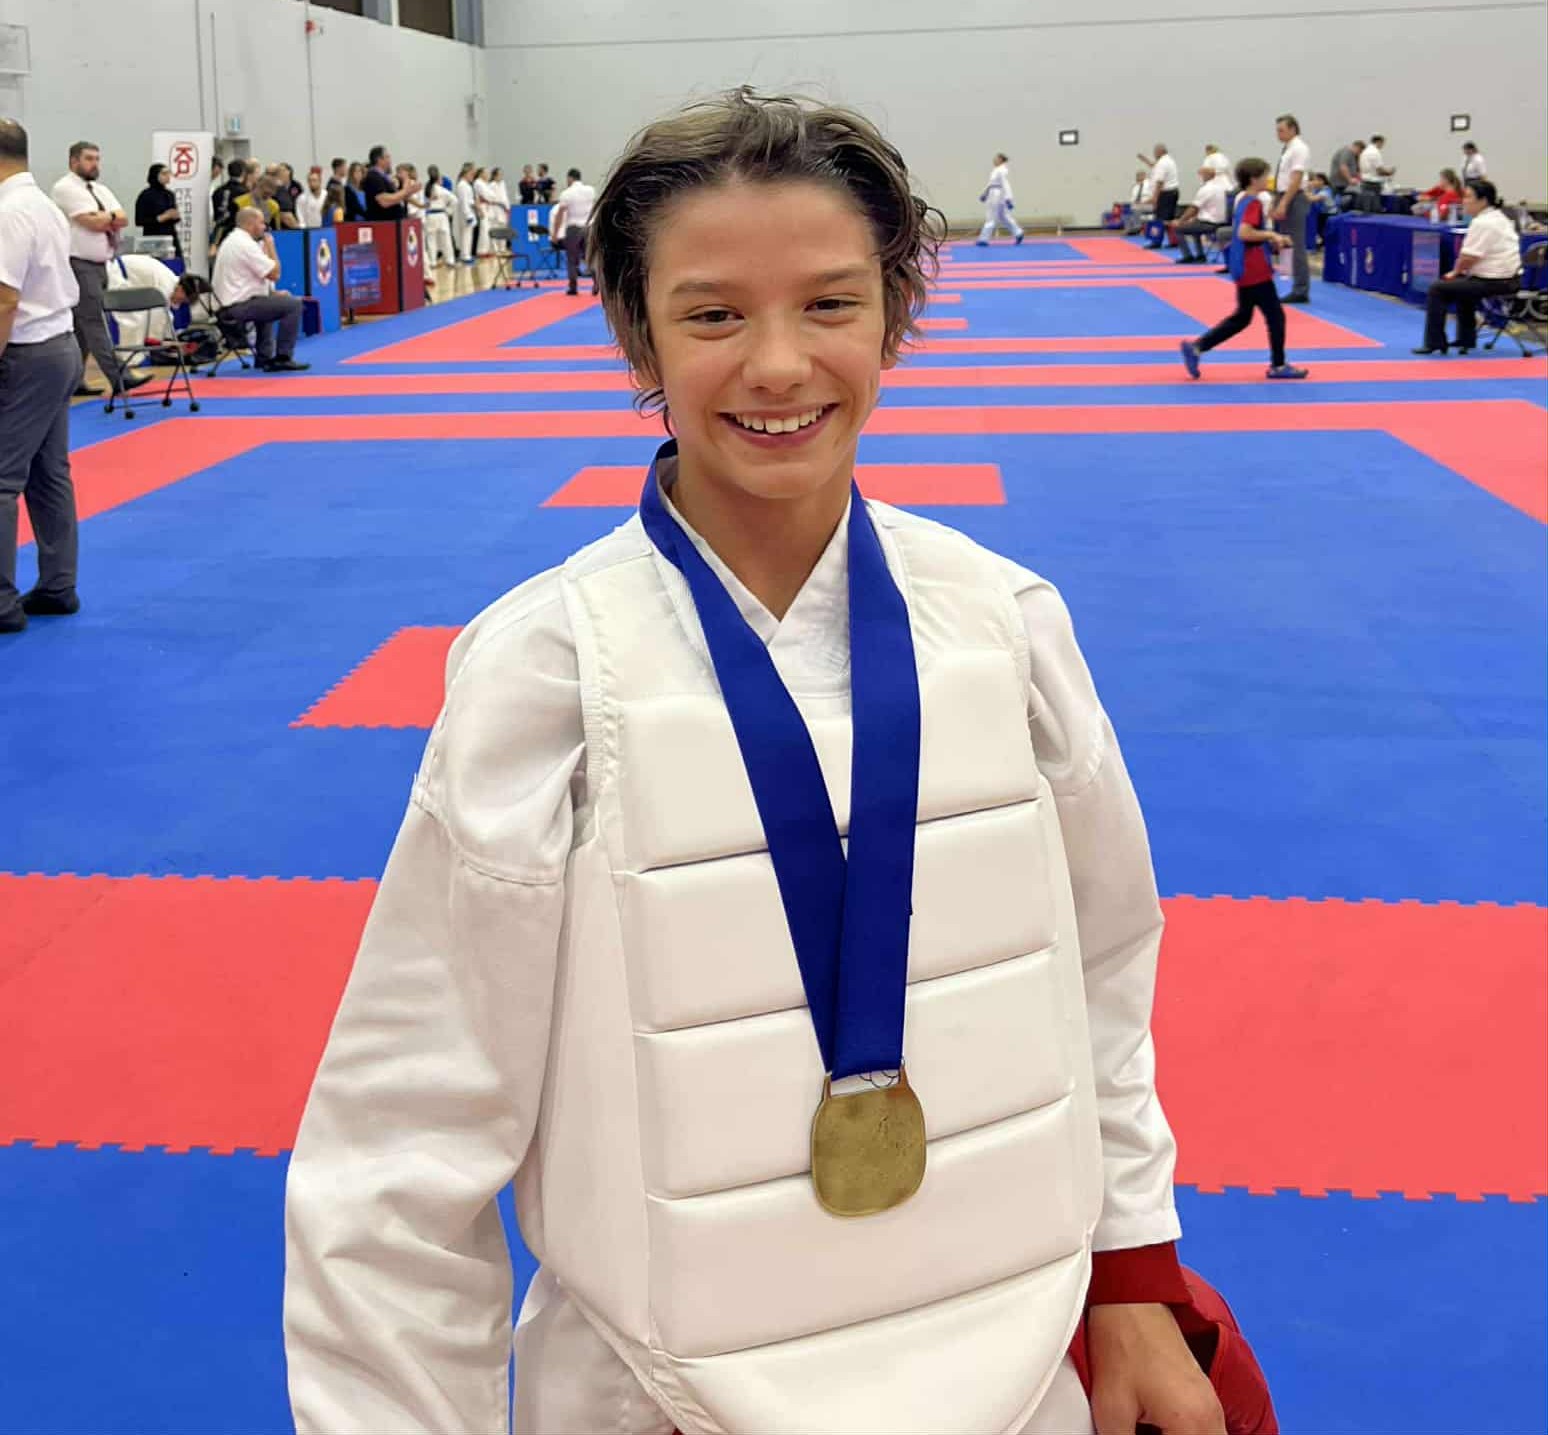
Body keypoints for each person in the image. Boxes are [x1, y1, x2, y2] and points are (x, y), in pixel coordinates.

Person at [285, 86, 1246, 1435]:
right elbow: (402, 1141)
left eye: (831, 303)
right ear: (638, 332)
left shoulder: (1005, 623)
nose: (780, 364)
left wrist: (1133, 1275)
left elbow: (1098, 971)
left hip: (1021, 1366)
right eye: (714, 315)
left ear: (897, 314)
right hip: (659, 1392)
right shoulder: (548, 672)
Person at [0, 117, 85, 635]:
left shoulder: (9, 212)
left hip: (28, 353)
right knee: (48, 473)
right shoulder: (45, 205)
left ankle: (1, 601)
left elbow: (5, 299)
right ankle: (57, 585)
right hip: (59, 345)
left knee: (1, 478)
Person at [1182, 156, 1308, 381]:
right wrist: (1271, 235)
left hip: (1244, 265)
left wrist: (1271, 239)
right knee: (1275, 316)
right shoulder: (1253, 203)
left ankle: (1198, 347)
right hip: (1254, 268)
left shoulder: (1242, 200)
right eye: (1265, 176)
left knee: (1242, 317)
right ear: (1253, 179)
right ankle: (1278, 365)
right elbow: (1245, 233)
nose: (1268, 180)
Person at [50, 139, 146, 398]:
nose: (95, 164)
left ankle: (75, 380)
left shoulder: (100, 190)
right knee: (93, 321)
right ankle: (119, 376)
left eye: (97, 159)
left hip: (101, 263)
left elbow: (122, 218)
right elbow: (91, 223)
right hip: (78, 264)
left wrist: (107, 218)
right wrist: (108, 219)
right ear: (74, 161)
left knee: (81, 327)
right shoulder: (65, 187)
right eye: (89, 159)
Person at [1413, 179, 1523, 355]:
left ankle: (1435, 342)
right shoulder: (1500, 218)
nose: (1463, 201)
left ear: (1483, 200)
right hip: (1512, 279)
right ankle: (1466, 339)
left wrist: (1454, 272)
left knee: (1437, 289)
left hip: (1495, 281)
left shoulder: (1483, 223)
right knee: (1463, 285)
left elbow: (1469, 257)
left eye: (1468, 197)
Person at [211, 206, 309, 373]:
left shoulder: (233, 241)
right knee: (293, 305)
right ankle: (283, 357)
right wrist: (271, 246)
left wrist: (273, 294)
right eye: (262, 223)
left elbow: (249, 280)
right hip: (234, 308)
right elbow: (275, 273)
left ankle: (264, 357)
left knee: (269, 302)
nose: (265, 227)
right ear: (251, 224)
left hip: (230, 304)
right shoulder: (244, 245)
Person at [104, 251, 185, 351]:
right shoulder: (166, 286)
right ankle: (130, 356)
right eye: (182, 299)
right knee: (133, 320)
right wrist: (162, 342)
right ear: (181, 289)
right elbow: (158, 316)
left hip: (122, 272)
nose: (180, 302)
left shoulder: (170, 281)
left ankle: (132, 353)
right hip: (116, 273)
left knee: (143, 318)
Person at [1270, 114, 1311, 302]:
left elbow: (1296, 179)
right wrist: (1276, 200)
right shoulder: (1288, 148)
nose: (1278, 134)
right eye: (1277, 130)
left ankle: (1301, 289)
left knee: (1296, 244)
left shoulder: (1299, 148)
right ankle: (1294, 283)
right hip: (1284, 194)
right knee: (1287, 242)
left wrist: (1284, 202)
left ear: (1293, 129)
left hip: (1293, 197)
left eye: (1282, 130)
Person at [1174, 163, 1232, 263]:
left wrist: (1180, 220)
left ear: (1206, 175)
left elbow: (1194, 208)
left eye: (1201, 175)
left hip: (1209, 224)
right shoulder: (1224, 187)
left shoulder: (1206, 189)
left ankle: (1188, 256)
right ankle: (1200, 255)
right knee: (1194, 225)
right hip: (1224, 223)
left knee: (1178, 229)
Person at [551, 165, 596, 295]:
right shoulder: (590, 190)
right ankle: (597, 283)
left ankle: (573, 286)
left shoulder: (567, 193)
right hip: (589, 227)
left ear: (570, 178)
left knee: (572, 259)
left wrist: (555, 233)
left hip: (573, 228)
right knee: (591, 257)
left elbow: (559, 214)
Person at [976, 151, 1025, 246]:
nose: (994, 160)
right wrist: (985, 194)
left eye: (996, 158)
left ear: (1001, 160)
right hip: (995, 193)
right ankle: (1018, 232)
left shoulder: (1002, 170)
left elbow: (1005, 184)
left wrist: (1008, 198)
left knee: (991, 216)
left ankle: (983, 239)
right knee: (1004, 216)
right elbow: (991, 184)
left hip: (997, 195)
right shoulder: (997, 170)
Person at [134, 163, 182, 259]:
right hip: (153, 239)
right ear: (155, 175)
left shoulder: (169, 194)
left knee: (175, 264)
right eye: (164, 173)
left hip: (170, 238)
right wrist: (160, 218)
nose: (168, 176)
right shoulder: (145, 195)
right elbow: (139, 221)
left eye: (168, 173)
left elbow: (173, 217)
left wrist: (175, 216)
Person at [1138, 143, 1179, 245]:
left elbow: (1160, 182)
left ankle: (1156, 241)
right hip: (1172, 192)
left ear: (1159, 152)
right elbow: (1154, 166)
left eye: (1155, 152)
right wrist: (1145, 160)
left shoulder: (1162, 163)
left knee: (1159, 219)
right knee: (1169, 218)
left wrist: (1155, 198)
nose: (1154, 154)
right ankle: (1174, 241)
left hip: (1165, 193)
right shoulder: (1168, 160)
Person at [363, 145, 415, 222]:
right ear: (379, 160)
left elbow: (396, 197)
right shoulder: (373, 177)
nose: (390, 160)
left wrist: (408, 191)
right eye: (387, 157)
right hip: (383, 222)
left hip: (394, 221)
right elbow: (384, 201)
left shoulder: (384, 177)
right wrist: (406, 191)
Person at [422, 164, 456, 267]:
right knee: (446, 239)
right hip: (441, 215)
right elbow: (455, 200)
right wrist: (448, 211)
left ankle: (432, 261)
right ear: (438, 178)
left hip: (430, 215)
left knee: (431, 239)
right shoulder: (442, 190)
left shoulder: (426, 189)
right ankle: (450, 260)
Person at [211, 158, 248, 247]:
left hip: (218, 235)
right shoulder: (244, 193)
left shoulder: (217, 191)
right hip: (237, 235)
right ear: (243, 173)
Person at [1356, 134, 1394, 213]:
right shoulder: (1375, 152)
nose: (1382, 146)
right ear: (1379, 142)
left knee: (1366, 206)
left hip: (1364, 182)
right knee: (1374, 207)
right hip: (1373, 184)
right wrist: (1389, 172)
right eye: (1383, 144)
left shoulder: (1364, 152)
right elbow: (1379, 170)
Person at [454, 163, 477, 263]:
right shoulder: (462, 185)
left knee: (468, 235)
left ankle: (466, 254)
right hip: (465, 214)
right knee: (466, 236)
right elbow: (463, 202)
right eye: (472, 174)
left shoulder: (466, 185)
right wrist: (468, 215)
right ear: (466, 173)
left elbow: (468, 200)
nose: (473, 177)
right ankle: (465, 255)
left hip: (468, 212)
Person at [472, 166, 497, 255]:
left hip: (487, 206)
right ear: (481, 174)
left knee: (489, 228)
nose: (488, 175)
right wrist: (491, 197)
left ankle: (490, 249)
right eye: (486, 173)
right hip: (482, 207)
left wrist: (491, 197)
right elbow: (487, 195)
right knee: (484, 229)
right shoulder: (478, 183)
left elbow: (493, 196)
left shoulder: (485, 183)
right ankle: (482, 250)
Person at [268, 163, 302, 229]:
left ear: (289, 172)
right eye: (278, 171)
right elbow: (285, 214)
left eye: (282, 170)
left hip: (295, 218)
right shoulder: (276, 188)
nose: (280, 173)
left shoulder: (296, 185)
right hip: (280, 225)